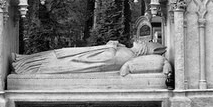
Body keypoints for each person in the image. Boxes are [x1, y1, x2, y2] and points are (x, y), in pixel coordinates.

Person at [11, 40, 167, 75]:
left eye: (143, 43)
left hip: (81, 61)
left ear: (143, 50)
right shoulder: (127, 51)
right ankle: (22, 60)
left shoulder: (129, 54)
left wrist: (112, 46)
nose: (139, 41)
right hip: (83, 56)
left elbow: (109, 59)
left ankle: (22, 63)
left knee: (51, 60)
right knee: (52, 56)